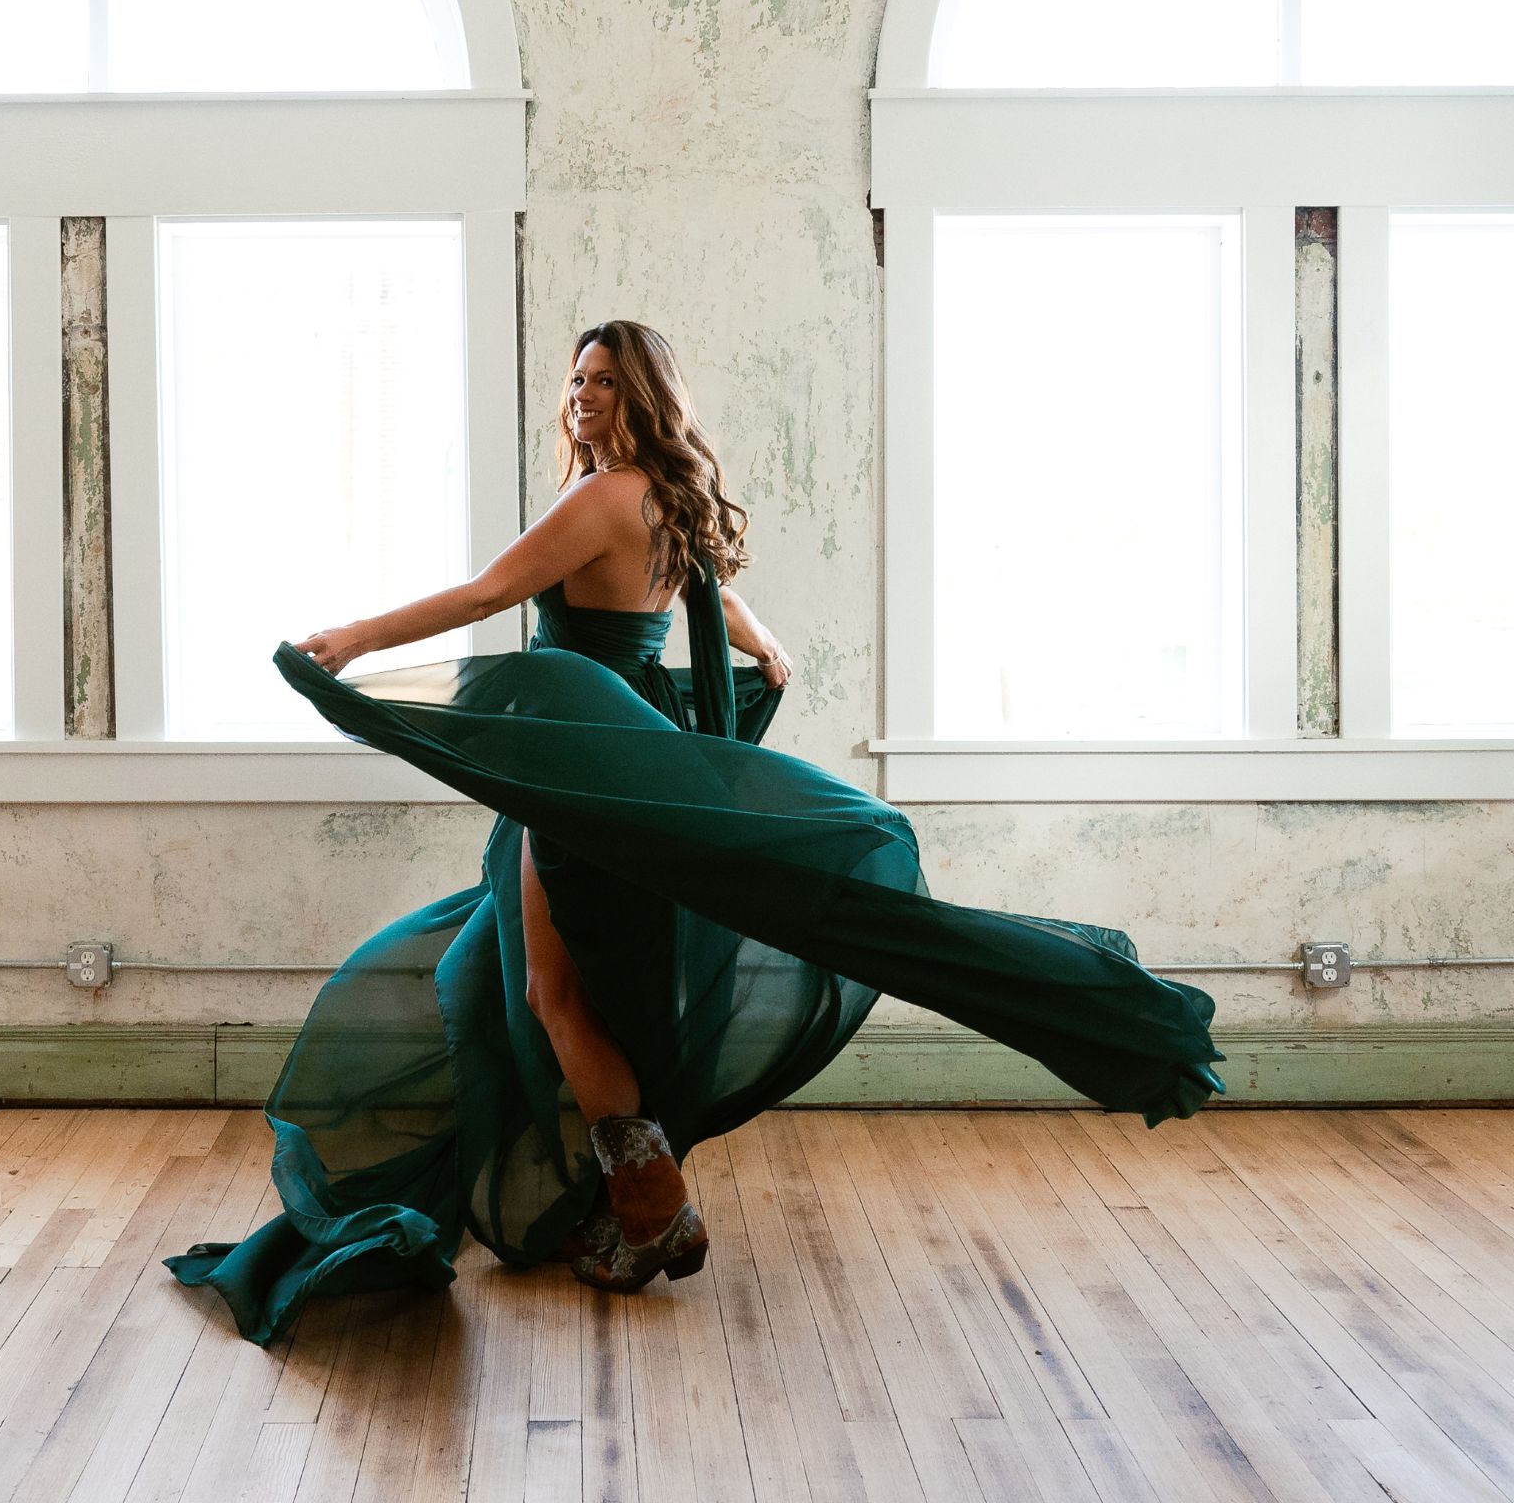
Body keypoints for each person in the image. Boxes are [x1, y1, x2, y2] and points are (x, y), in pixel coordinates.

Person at [164, 320, 1224, 1346]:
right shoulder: (674, 500)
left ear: (646, 397)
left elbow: (493, 591)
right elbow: (740, 615)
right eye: (577, 380)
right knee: (563, 982)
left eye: (606, 383)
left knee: (552, 990)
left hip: (590, 771)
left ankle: (650, 1203)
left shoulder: (603, 495)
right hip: (637, 755)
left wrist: (353, 638)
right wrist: (761, 651)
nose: (583, 397)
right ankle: (635, 1192)